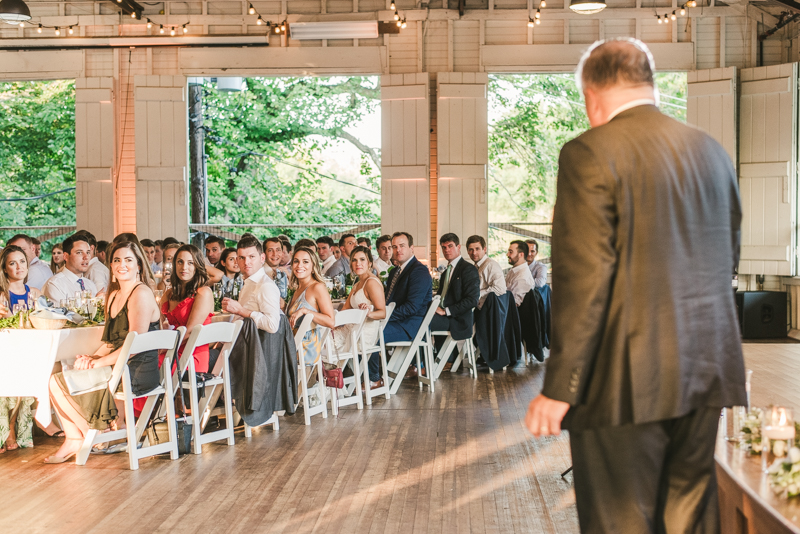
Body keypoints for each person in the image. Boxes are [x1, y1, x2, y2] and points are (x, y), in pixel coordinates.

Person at [524, 38, 746, 534]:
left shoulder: (589, 152)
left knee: (621, 523)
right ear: (650, 86)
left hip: (622, 382)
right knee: (688, 519)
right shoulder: (711, 152)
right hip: (707, 370)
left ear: (592, 94)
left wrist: (561, 386)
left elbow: (584, 278)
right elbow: (726, 257)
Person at [45, 241, 162, 463]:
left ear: (139, 265)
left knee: (57, 381)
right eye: (117, 260)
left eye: (128, 260)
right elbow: (111, 341)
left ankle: (87, 436)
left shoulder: (141, 293)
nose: (122, 265)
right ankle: (77, 437)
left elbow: (133, 345)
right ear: (111, 265)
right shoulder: (114, 295)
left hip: (137, 370)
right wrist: (93, 357)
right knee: (60, 376)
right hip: (119, 365)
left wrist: (99, 363)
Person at [0, 245, 42, 452]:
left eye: (22, 262)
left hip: (28, 349)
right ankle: (7, 430)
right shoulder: (1, 295)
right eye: (12, 263)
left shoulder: (34, 293)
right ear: (5, 268)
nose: (19, 267)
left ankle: (15, 427)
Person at [380, 232, 432, 380]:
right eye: (394, 247)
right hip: (398, 321)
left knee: (369, 334)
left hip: (410, 325)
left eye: (402, 246)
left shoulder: (419, 271)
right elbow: (388, 301)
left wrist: (383, 316)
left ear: (411, 248)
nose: (398, 250)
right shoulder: (395, 271)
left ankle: (374, 378)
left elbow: (411, 308)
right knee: (365, 331)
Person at [334, 246, 387, 386]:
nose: (358, 264)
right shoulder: (357, 284)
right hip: (352, 328)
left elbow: (382, 312)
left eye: (362, 259)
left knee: (327, 345)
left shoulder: (371, 283)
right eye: (354, 260)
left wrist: (368, 313)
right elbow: (345, 310)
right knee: (325, 339)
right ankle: (332, 382)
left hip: (364, 332)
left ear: (370, 262)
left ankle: (334, 383)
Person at [161, 245, 214, 373]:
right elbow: (157, 325)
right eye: (180, 262)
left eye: (190, 263)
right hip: (168, 349)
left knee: (145, 368)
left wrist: (163, 346)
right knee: (139, 363)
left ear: (197, 266)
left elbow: (190, 331)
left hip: (191, 356)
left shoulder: (203, 292)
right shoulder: (168, 294)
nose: (184, 267)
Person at [429, 234, 480, 362]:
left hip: (459, 319)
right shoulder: (446, 271)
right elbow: (441, 296)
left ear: (458, 247)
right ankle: (445, 359)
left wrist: (446, 311)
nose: (446, 250)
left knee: (422, 323)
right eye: (444, 247)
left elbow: (472, 300)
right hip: (446, 316)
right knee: (422, 316)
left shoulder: (468, 269)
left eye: (450, 246)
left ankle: (422, 363)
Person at [286, 246, 335, 366]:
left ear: (313, 267)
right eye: (296, 261)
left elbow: (331, 322)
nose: (299, 265)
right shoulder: (297, 289)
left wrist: (305, 311)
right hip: (292, 347)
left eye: (305, 262)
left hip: (304, 354)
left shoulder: (317, 287)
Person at [223, 235, 281, 333]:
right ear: (237, 260)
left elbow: (272, 325)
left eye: (252, 257)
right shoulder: (249, 282)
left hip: (252, 346)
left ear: (262, 258)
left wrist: (240, 310)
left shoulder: (265, 286)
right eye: (242, 258)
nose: (246, 262)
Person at [42, 233, 99, 304]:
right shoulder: (55, 284)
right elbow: (61, 314)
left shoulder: (90, 285)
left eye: (88, 252)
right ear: (66, 256)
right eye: (79, 252)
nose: (86, 257)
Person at [466, 235, 506, 309]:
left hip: (488, 311)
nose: (474, 253)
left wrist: (478, 294)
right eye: (471, 249)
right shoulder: (475, 266)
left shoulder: (491, 265)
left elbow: (500, 288)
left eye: (477, 249)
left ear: (484, 249)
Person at [505, 240, 534, 306]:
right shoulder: (514, 270)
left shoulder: (523, 277)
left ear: (521, 254)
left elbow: (514, 304)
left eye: (511, 252)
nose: (507, 254)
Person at [263, 237, 289, 303]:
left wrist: (289, 277)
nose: (275, 254)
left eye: (278, 250)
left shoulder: (285, 273)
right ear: (264, 254)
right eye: (270, 250)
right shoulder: (259, 273)